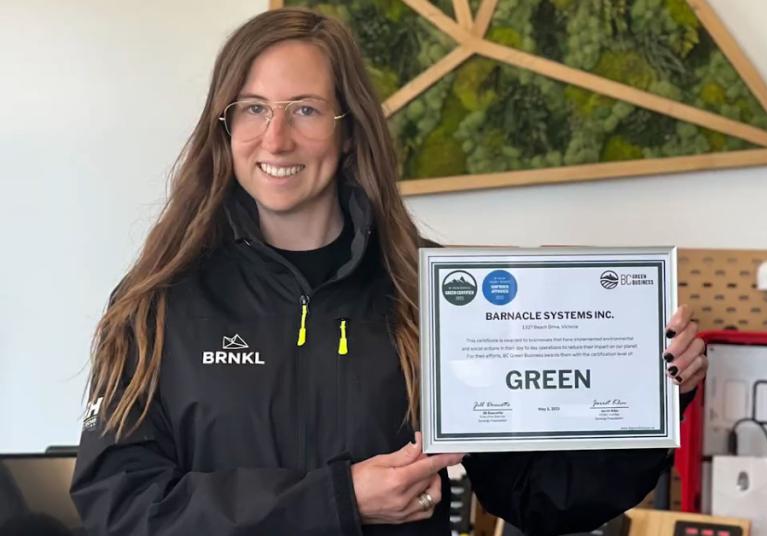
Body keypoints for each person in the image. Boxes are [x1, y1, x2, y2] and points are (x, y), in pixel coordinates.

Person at [70, 8, 709, 536]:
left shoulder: (433, 296)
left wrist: (649, 394)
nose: (275, 140)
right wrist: (338, 498)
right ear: (225, 125)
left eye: (306, 110)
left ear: (350, 133)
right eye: (253, 108)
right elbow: (120, 504)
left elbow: (542, 497)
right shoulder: (160, 301)